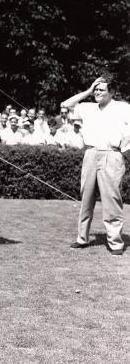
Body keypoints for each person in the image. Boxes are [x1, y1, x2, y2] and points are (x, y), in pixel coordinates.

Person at [61, 75, 129, 256]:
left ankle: (115, 243)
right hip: (90, 154)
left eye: (101, 89)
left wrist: (125, 152)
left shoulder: (123, 108)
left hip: (112, 154)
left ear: (112, 92)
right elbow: (65, 104)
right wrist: (89, 90)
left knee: (112, 199)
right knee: (86, 197)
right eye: (96, 90)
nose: (98, 93)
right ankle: (82, 238)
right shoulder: (88, 107)